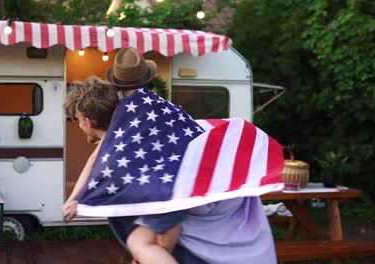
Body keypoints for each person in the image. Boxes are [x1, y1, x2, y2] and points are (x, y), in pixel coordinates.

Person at [65, 48, 278, 264]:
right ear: (148, 77)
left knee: (144, 244)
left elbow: (95, 159)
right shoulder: (163, 106)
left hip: (164, 191)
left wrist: (76, 198)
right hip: (182, 180)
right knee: (150, 244)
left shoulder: (125, 121)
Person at [63, 76, 181, 264]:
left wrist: (78, 200)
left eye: (77, 120)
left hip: (167, 202)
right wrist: (74, 197)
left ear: (89, 122)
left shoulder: (114, 161)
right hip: (172, 193)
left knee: (146, 246)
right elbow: (93, 158)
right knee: (142, 248)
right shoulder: (127, 127)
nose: (78, 125)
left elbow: (97, 164)